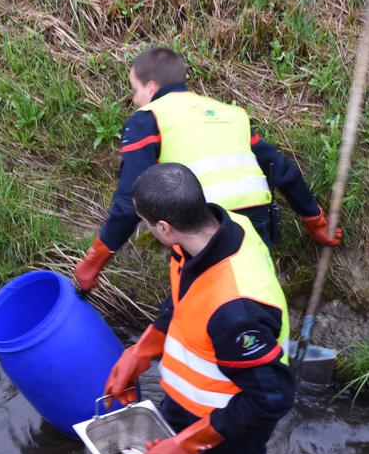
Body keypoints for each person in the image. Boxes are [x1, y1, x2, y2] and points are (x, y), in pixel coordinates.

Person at [101, 163, 295, 454]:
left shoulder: (237, 310)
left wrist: (190, 443)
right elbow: (183, 300)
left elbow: (270, 397)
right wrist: (141, 351)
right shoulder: (207, 234)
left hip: (233, 423)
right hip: (191, 399)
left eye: (146, 225)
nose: (145, 232)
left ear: (164, 226)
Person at [73, 47, 341, 291]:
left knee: (203, 303)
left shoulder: (148, 118)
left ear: (152, 87)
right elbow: (281, 169)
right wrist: (315, 222)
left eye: (135, 90)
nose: (134, 99)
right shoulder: (230, 113)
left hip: (203, 224)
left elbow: (130, 199)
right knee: (254, 292)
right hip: (256, 219)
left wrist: (93, 262)